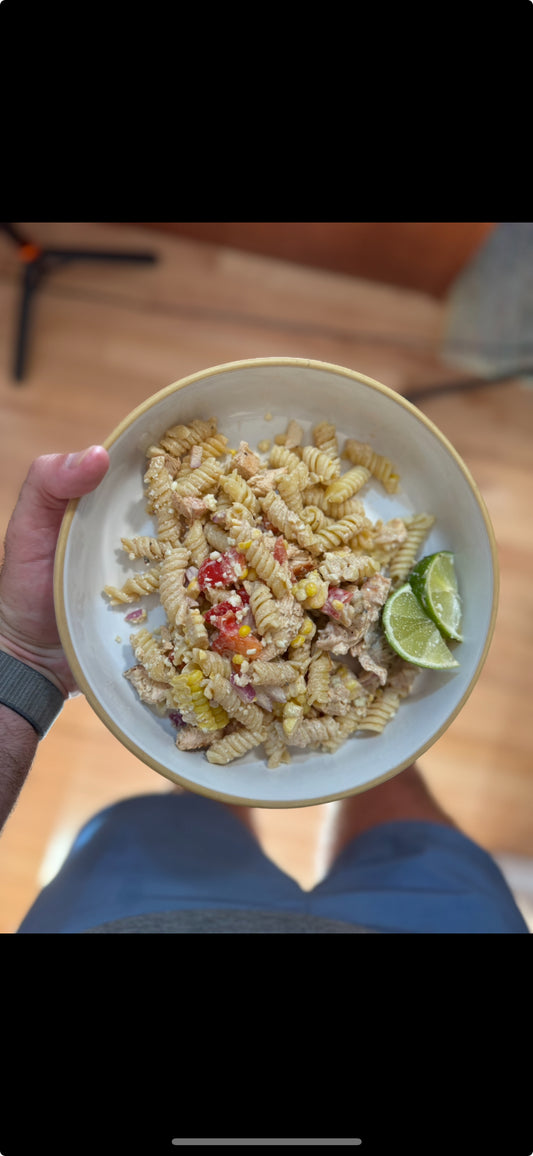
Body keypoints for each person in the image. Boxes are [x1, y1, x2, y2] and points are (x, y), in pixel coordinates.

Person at [0, 448, 528, 934]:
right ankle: (358, 751)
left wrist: (21, 656)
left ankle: (354, 732)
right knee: (409, 832)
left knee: (192, 811)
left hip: (125, 905)